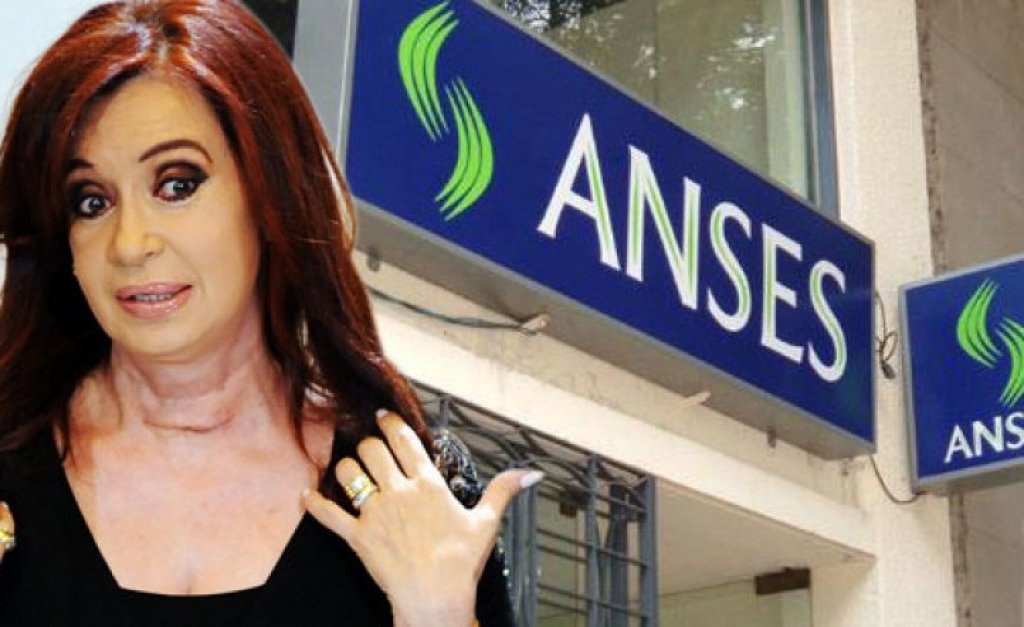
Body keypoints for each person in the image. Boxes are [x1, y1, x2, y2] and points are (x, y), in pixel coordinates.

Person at [0, 1, 542, 624]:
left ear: (270, 192)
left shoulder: (409, 492)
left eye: (177, 184)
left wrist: (438, 612)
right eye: (91, 201)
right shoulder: (11, 468)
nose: (128, 244)